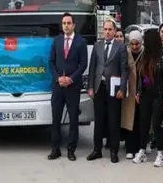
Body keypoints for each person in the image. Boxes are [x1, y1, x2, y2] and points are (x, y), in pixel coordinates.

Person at [87, 19, 128, 163]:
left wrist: (123, 88)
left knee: (113, 120)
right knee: (99, 120)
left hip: (114, 89)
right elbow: (92, 67)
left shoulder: (120, 47)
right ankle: (97, 150)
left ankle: (113, 151)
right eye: (105, 29)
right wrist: (90, 87)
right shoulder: (97, 46)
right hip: (99, 87)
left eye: (110, 29)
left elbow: (124, 69)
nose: (107, 32)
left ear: (115, 31)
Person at [48, 13, 87, 161]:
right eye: (64, 23)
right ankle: (55, 149)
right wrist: (58, 78)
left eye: (68, 23)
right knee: (56, 119)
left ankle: (71, 149)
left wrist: (71, 79)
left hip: (73, 87)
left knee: (73, 120)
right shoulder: (56, 41)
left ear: (74, 25)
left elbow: (83, 65)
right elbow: (51, 62)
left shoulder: (81, 42)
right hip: (58, 87)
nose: (66, 26)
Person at [136, 29, 163, 167]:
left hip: (158, 94)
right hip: (145, 94)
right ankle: (142, 150)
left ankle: (160, 154)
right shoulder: (145, 55)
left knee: (156, 124)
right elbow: (141, 77)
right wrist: (138, 92)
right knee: (143, 123)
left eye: (145, 40)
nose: (143, 42)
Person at [121, 30, 143, 161]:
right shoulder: (126, 52)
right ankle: (129, 148)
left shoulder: (145, 53)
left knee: (140, 120)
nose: (134, 47)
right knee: (129, 120)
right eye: (132, 44)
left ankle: (140, 147)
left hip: (141, 91)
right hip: (129, 91)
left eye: (137, 44)